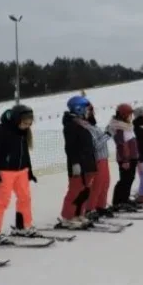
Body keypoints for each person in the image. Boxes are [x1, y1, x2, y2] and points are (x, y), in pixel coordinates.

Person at [0, 105, 38, 245]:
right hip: (5, 171)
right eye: (25, 123)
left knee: (25, 198)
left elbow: (24, 153)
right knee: (2, 202)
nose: (27, 126)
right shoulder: (1, 130)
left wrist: (29, 170)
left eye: (29, 124)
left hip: (21, 171)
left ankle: (22, 226)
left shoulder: (22, 132)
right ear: (17, 119)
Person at [58, 96, 97, 229]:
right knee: (75, 190)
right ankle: (68, 217)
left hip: (88, 162)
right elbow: (70, 146)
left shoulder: (83, 123)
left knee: (85, 191)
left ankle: (79, 213)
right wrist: (75, 163)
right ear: (78, 109)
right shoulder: (71, 125)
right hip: (78, 164)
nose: (88, 111)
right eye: (86, 109)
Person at [107, 104, 139, 212]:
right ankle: (118, 201)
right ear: (124, 114)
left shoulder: (126, 125)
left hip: (132, 157)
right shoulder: (119, 127)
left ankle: (125, 198)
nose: (131, 117)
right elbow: (121, 145)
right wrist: (125, 160)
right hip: (126, 159)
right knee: (124, 180)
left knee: (129, 179)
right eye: (129, 114)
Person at [83, 104, 113, 220]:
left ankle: (101, 206)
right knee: (97, 185)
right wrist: (108, 134)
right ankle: (90, 208)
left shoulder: (92, 125)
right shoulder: (87, 127)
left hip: (103, 158)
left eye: (92, 111)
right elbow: (95, 145)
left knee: (105, 183)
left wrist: (106, 133)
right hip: (97, 159)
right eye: (90, 111)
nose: (92, 113)